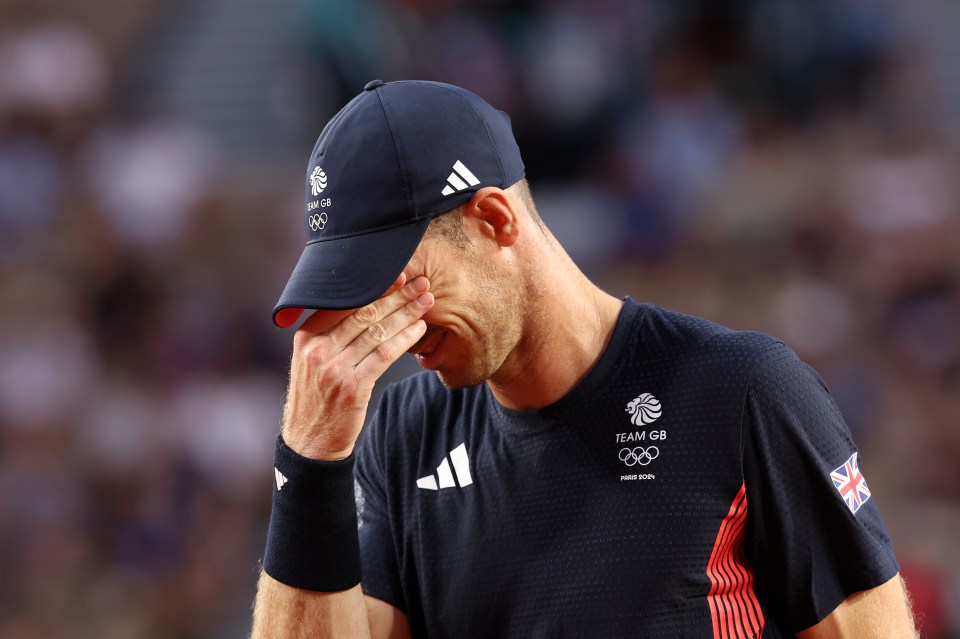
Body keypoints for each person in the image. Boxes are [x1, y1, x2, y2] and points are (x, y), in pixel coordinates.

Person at [250, 79, 917, 638]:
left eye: (394, 279)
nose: (380, 321)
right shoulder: (399, 437)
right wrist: (307, 467)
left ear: (494, 220)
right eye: (352, 290)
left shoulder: (743, 392)